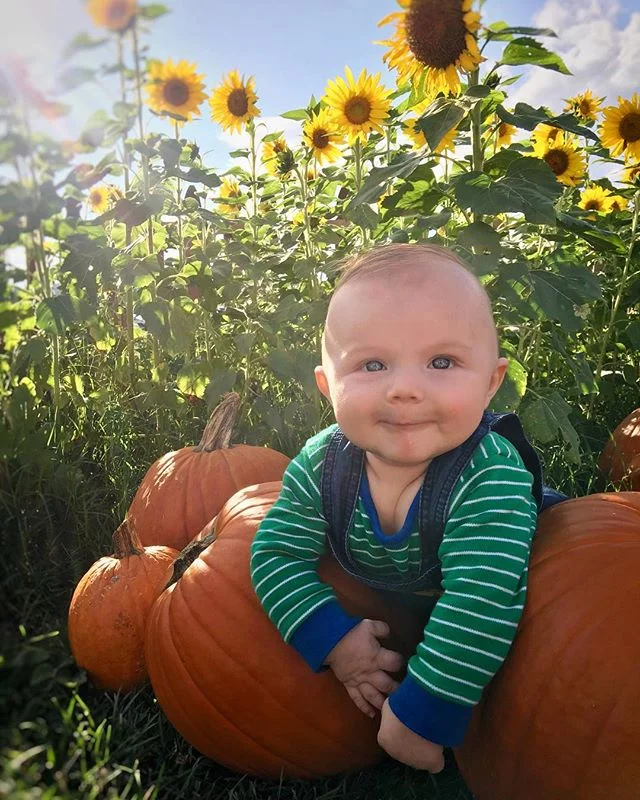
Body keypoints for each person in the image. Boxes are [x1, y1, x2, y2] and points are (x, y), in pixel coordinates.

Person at [250, 242, 540, 773]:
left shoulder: (488, 476)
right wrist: (334, 639)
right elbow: (273, 555)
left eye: (442, 362)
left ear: (491, 382)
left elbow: (482, 596)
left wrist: (421, 714)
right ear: (327, 386)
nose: (405, 389)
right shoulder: (322, 466)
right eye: (373, 364)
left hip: (499, 591)